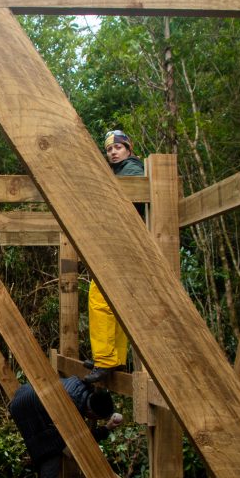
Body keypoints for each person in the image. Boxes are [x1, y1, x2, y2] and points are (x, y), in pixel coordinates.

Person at [8, 376, 123, 478]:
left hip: (27, 391)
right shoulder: (71, 408)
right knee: (51, 449)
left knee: (52, 443)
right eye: (97, 418)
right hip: (26, 407)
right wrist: (107, 428)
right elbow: (82, 440)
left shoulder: (83, 389)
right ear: (91, 412)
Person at [83, 129, 144, 384]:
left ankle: (106, 360)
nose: (113, 153)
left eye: (117, 148)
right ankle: (115, 358)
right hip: (126, 246)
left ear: (128, 149)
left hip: (123, 245)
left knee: (99, 299)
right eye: (109, 150)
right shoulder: (122, 172)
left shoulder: (130, 172)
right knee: (116, 303)